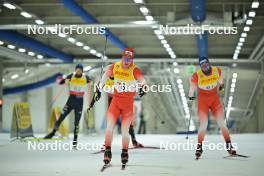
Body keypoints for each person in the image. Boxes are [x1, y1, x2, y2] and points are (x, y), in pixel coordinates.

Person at [94, 48, 146, 166]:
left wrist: (144, 88)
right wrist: (98, 90)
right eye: (126, 59)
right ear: (122, 57)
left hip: (128, 104)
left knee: (125, 131)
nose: (127, 61)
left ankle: (124, 152)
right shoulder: (115, 66)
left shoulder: (135, 69)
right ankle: (107, 151)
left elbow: (143, 81)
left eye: (130, 59)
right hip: (115, 102)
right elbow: (104, 77)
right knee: (109, 128)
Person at [188, 57, 236, 159]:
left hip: (215, 99)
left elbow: (221, 83)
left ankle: (229, 146)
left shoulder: (217, 70)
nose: (205, 67)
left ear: (209, 64)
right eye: (202, 66)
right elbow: (192, 89)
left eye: (206, 64)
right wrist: (190, 99)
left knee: (222, 123)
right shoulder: (196, 75)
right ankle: (199, 147)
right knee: (204, 123)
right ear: (200, 67)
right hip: (203, 101)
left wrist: (221, 89)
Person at [44, 64, 91, 148]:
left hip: (79, 103)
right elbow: (61, 82)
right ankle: (52, 133)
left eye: (80, 70)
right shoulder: (71, 76)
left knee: (76, 123)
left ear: (82, 71)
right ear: (75, 70)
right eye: (77, 69)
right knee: (60, 118)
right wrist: (60, 80)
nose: (78, 71)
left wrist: (93, 83)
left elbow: (93, 83)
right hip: (70, 101)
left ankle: (75, 141)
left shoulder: (86, 77)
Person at [105, 76, 144, 147]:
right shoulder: (107, 81)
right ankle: (107, 144)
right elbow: (109, 92)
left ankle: (134, 140)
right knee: (110, 124)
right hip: (113, 105)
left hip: (122, 103)